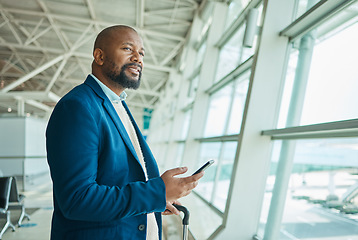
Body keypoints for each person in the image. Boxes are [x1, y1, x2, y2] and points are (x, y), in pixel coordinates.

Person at [46, 25, 203, 240]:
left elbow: (117, 180)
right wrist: (155, 193)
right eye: (128, 49)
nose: (138, 58)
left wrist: (157, 200)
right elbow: (77, 199)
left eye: (141, 53)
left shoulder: (116, 105)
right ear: (99, 56)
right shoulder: (78, 107)